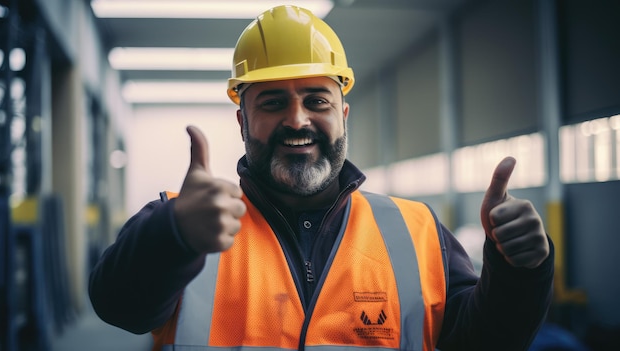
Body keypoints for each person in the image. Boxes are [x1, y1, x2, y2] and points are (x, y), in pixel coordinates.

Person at [89, 5, 554, 351]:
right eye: (272, 102)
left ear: (343, 115)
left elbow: (482, 341)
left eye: (317, 100)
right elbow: (118, 305)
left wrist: (518, 272)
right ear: (242, 122)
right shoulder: (185, 224)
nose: (297, 120)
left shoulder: (416, 231)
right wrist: (174, 234)